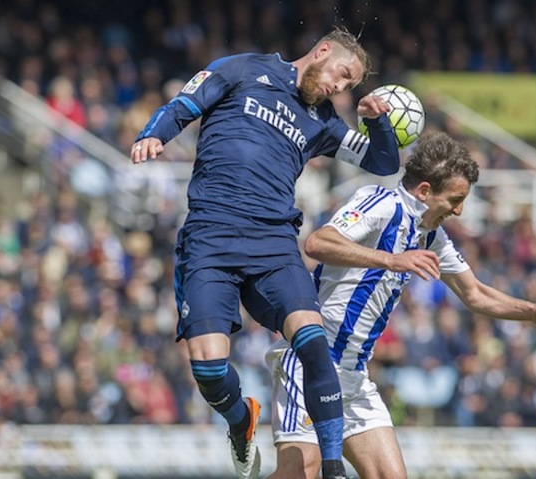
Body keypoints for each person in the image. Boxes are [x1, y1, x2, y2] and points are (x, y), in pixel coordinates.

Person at [130, 28, 400, 479]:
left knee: (315, 345)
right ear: (323, 51)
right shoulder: (242, 68)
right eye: (342, 75)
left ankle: (332, 466)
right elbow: (183, 105)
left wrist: (377, 121)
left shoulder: (325, 121)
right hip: (210, 239)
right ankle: (242, 420)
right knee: (211, 371)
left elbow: (383, 163)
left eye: (349, 86)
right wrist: (153, 135)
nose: (340, 88)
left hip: (273, 244)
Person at [265, 132, 536, 479]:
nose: (460, 210)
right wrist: (391, 260)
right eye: (455, 199)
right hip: (310, 364)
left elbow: (475, 293)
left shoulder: (431, 236)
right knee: (301, 473)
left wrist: (534, 312)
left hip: (354, 378)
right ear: (424, 191)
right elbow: (317, 243)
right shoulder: (381, 203)